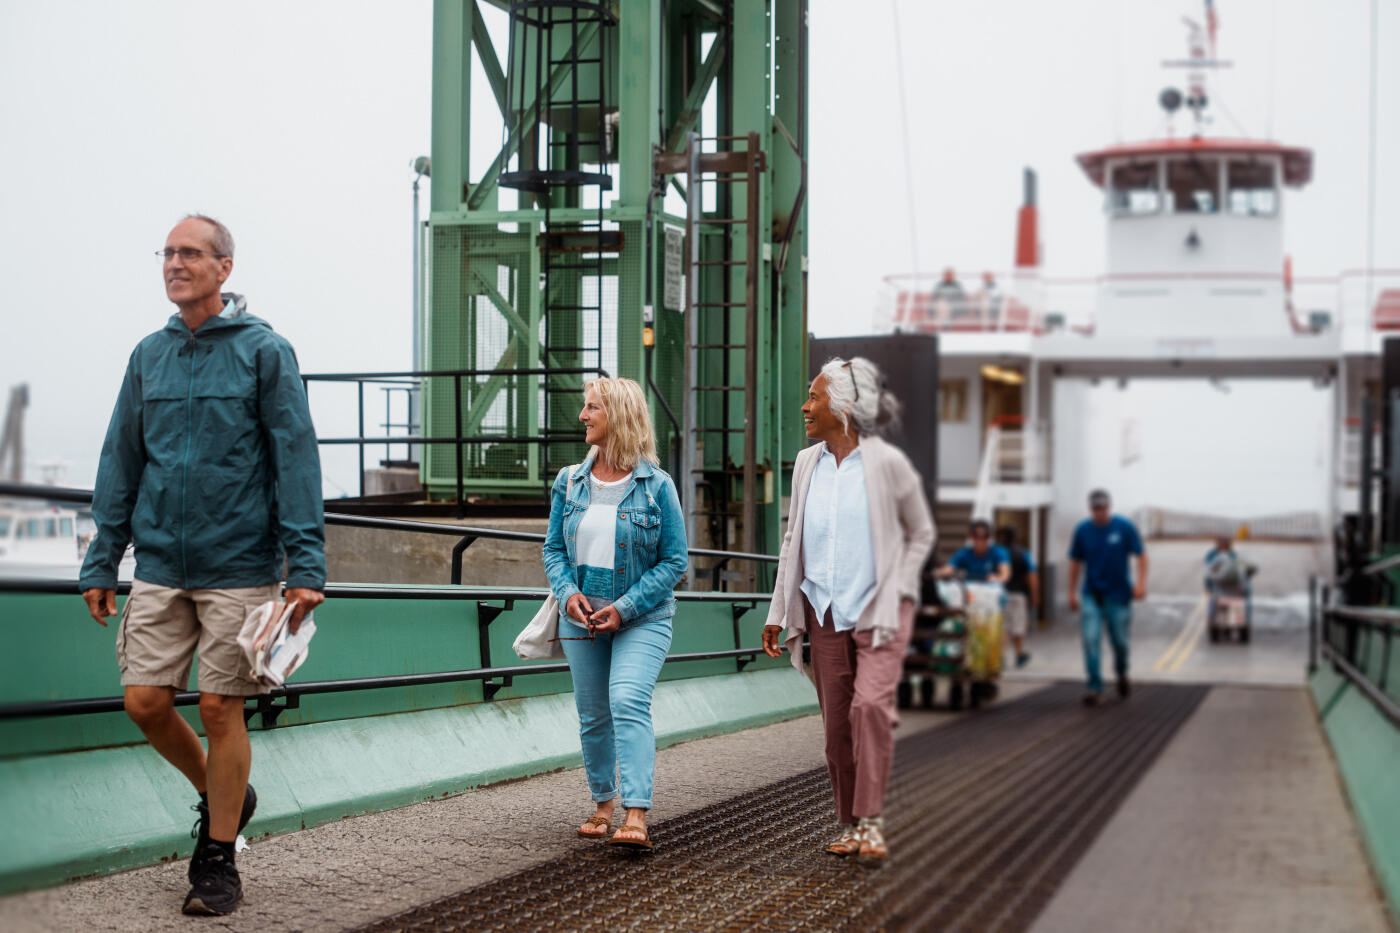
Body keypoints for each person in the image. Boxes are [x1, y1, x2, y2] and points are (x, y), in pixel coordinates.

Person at [78, 215, 325, 915]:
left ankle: (217, 859)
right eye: (169, 253)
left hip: (240, 562)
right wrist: (103, 558)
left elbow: (295, 459)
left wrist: (306, 564)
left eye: (191, 253)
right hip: (159, 561)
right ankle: (225, 795)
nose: (175, 263)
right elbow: (120, 460)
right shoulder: (147, 356)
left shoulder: (264, 352)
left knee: (220, 706)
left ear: (225, 268)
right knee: (145, 701)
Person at [761, 357, 935, 864]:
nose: (804, 406)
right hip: (825, 609)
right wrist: (778, 610)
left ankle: (873, 822)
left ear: (844, 406)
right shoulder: (806, 463)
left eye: (813, 397)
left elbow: (921, 532)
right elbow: (793, 539)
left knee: (869, 710)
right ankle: (851, 822)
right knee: (837, 730)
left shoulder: (888, 465)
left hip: (878, 611)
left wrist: (902, 584)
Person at [541, 377, 687, 852]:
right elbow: (552, 551)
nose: (582, 416)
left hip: (642, 616)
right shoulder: (570, 480)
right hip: (581, 615)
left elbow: (674, 561)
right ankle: (603, 805)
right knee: (593, 713)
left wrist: (624, 608)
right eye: (584, 408)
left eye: (592, 408)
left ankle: (636, 813)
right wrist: (567, 595)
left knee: (626, 700)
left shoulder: (657, 486)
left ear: (619, 415)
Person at [1067, 490, 1146, 706]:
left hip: (1119, 595)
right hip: (1092, 594)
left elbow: (1141, 554)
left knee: (1120, 642)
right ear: (1090, 509)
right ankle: (1094, 686)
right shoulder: (1082, 530)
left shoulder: (1124, 527)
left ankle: (1121, 673)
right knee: (1090, 639)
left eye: (1102, 507)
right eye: (1095, 508)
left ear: (1109, 507)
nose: (1099, 512)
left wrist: (1140, 584)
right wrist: (1071, 592)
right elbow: (1075, 562)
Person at [997, 526, 1038, 668]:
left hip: (1000, 593)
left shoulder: (998, 552)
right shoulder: (1023, 553)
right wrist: (1035, 596)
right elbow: (1031, 576)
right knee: (1018, 626)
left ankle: (1001, 657)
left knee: (1003, 626)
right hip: (1018, 594)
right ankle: (1019, 654)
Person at [938, 519, 1010, 585]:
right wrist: (941, 572)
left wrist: (997, 579)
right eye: (976, 536)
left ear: (990, 537)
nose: (980, 540)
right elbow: (949, 568)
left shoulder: (999, 552)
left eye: (985, 536)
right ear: (970, 536)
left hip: (992, 588)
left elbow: (1005, 575)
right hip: (970, 591)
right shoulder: (963, 553)